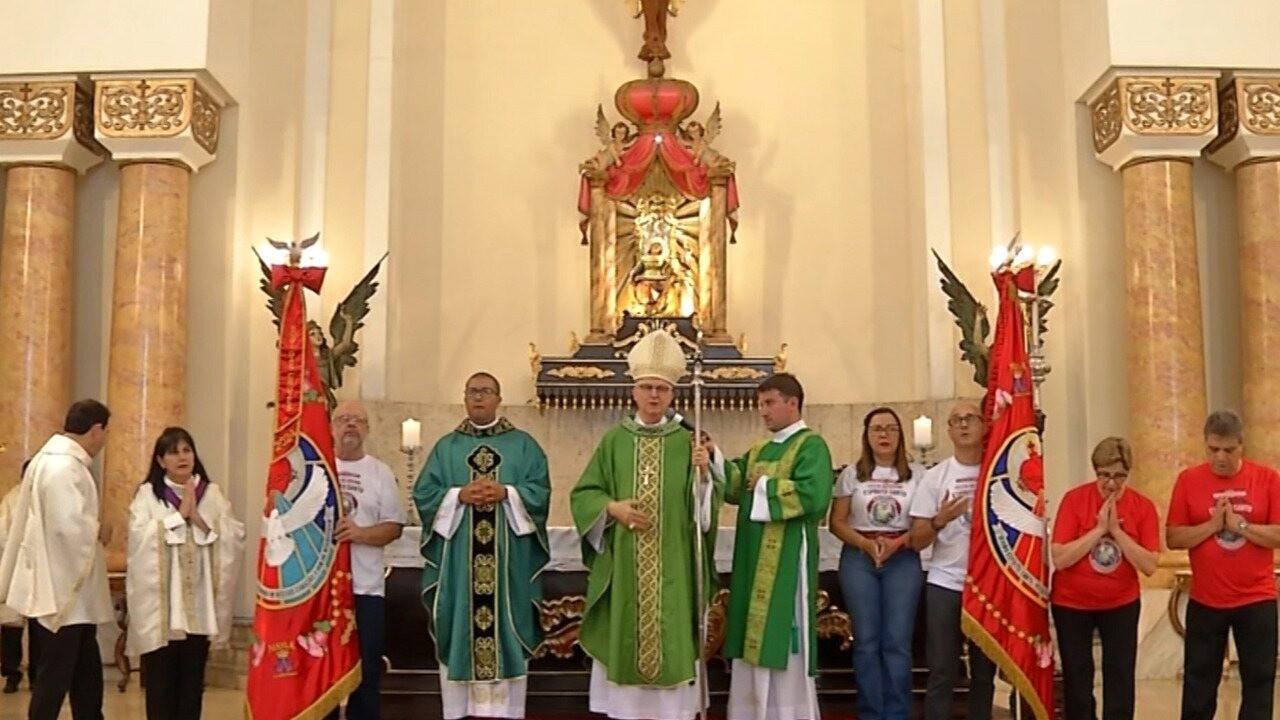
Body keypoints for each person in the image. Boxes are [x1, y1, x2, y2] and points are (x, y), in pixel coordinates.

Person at [570, 331, 717, 720]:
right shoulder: (614, 441)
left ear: (673, 396)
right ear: (633, 391)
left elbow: (703, 509)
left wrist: (705, 475)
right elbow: (584, 493)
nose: (654, 396)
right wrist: (612, 508)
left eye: (662, 389)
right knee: (626, 642)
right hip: (625, 569)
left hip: (674, 565)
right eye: (647, 387)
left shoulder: (687, 441)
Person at [415, 373, 550, 720]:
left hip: (508, 568)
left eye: (485, 392)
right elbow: (425, 494)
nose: (479, 398)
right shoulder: (447, 447)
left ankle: (506, 711)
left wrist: (508, 493)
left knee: (508, 626)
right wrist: (458, 495)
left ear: (498, 399)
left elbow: (541, 492)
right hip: (461, 567)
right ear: (464, 398)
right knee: (459, 624)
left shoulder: (524, 445)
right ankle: (460, 711)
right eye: (473, 392)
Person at [715, 373, 833, 720]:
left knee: (782, 637)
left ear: (792, 403)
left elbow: (814, 495)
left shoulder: (811, 445)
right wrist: (711, 458)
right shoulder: (760, 449)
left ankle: (788, 712)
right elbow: (735, 485)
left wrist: (765, 485)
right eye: (760, 404)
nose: (762, 412)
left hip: (786, 561)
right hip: (753, 559)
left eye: (769, 403)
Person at [0, 399, 112, 720]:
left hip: (69, 599)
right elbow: (66, 526)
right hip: (63, 598)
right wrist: (97, 530)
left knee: (85, 676)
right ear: (96, 430)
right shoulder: (63, 467)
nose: (104, 441)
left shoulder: (51, 461)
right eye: (105, 433)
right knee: (54, 679)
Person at [125, 427, 246, 720]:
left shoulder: (211, 494)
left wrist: (198, 519)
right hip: (163, 611)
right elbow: (138, 538)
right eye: (173, 452)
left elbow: (233, 535)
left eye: (186, 450)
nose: (182, 457)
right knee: (160, 685)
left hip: (199, 609)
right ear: (160, 460)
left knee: (192, 685)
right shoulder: (148, 496)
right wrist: (178, 517)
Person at [1167, 410, 1280, 720]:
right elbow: (1173, 537)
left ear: (1241, 445)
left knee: (1259, 682)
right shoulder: (1188, 480)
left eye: (1228, 450)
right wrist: (1213, 525)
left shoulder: (1267, 479)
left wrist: (1240, 526)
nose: (1220, 457)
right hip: (1206, 600)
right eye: (1213, 449)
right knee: (1198, 684)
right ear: (1205, 445)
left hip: (1256, 599)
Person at [1049, 437, 1158, 720]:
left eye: (1119, 476)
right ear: (1095, 471)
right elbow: (1060, 558)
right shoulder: (1075, 500)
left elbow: (1149, 564)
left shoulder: (1142, 507)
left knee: (1120, 675)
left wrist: (1118, 533)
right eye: (1105, 475)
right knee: (1077, 678)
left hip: (1120, 603)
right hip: (1072, 604)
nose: (1111, 483)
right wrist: (1099, 530)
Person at [829, 407, 924, 720]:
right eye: (877, 429)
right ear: (866, 436)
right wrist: (866, 544)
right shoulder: (851, 475)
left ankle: (897, 713)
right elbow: (837, 522)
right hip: (860, 558)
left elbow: (923, 524)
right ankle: (870, 712)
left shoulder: (918, 474)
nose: (884, 435)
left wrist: (897, 543)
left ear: (900, 435)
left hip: (902, 557)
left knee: (896, 641)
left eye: (891, 429)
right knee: (867, 641)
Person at [907, 400, 995, 720]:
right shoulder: (936, 477)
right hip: (945, 583)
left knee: (984, 675)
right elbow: (917, 540)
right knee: (942, 671)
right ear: (948, 430)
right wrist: (939, 520)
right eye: (955, 420)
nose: (963, 424)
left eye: (969, 418)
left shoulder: (997, 472)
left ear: (984, 425)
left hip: (987, 584)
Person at [325, 400, 406, 720]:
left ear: (367, 429)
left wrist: (359, 533)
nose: (350, 426)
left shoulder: (380, 472)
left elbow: (394, 527)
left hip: (366, 589)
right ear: (331, 426)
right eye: (343, 419)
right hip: (323, 591)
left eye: (357, 421)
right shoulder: (318, 468)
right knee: (323, 671)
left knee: (367, 670)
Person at [0, 460, 40, 694]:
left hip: (40, 572)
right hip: (15, 569)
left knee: (39, 628)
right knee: (12, 628)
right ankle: (11, 674)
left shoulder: (47, 498)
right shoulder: (12, 499)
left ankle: (36, 674)